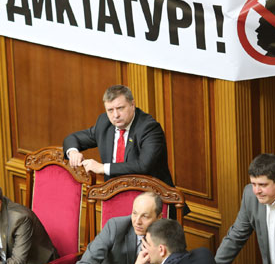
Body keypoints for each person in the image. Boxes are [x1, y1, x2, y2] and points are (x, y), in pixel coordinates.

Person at [63, 84, 184, 218]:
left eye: (120, 108)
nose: (115, 115)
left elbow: (143, 165)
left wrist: (103, 168)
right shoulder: (104, 123)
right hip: (115, 198)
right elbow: (72, 138)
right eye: (110, 110)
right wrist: (73, 152)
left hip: (152, 204)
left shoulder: (149, 128)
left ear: (132, 105)